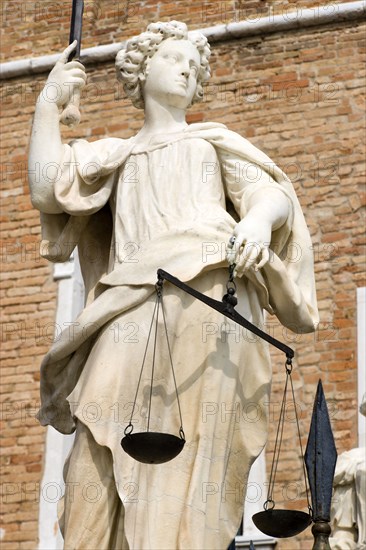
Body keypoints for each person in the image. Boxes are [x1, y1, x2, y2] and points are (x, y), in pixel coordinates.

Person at [29, 21, 319, 550]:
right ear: (140, 72)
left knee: (195, 449)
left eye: (194, 63)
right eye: (173, 58)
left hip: (207, 297)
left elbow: (270, 195)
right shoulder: (115, 157)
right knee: (95, 441)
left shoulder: (211, 142)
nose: (186, 68)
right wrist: (50, 103)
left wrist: (255, 223)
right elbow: (48, 185)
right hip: (130, 307)